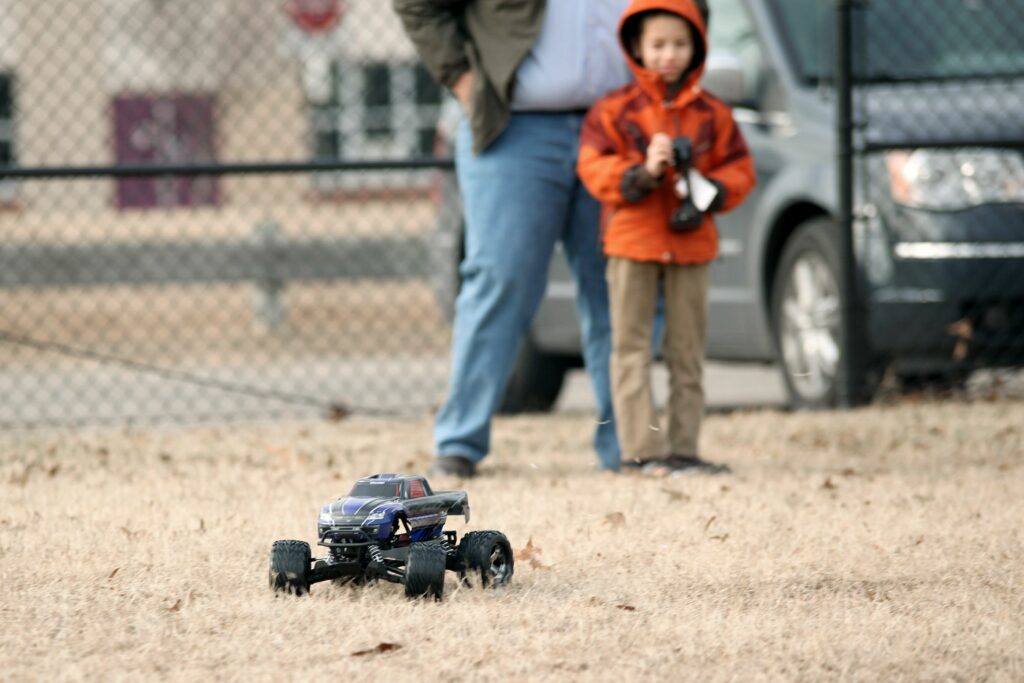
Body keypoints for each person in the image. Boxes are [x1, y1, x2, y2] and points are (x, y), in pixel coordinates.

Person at [392, 0, 653, 478]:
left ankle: (629, 446)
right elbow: (418, 5)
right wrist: (466, 83)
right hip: (516, 127)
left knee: (619, 285)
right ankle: (460, 443)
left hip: (622, 126)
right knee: (499, 277)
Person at [577, 0, 756, 474]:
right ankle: (638, 452)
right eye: (658, 44)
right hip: (631, 241)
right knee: (631, 349)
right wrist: (643, 170)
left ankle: (684, 449)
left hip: (691, 242)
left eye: (679, 43)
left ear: (697, 47)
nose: (668, 55)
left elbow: (739, 169)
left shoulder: (712, 113)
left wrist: (709, 185)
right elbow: (593, 167)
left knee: (687, 350)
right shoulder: (614, 110)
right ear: (636, 46)